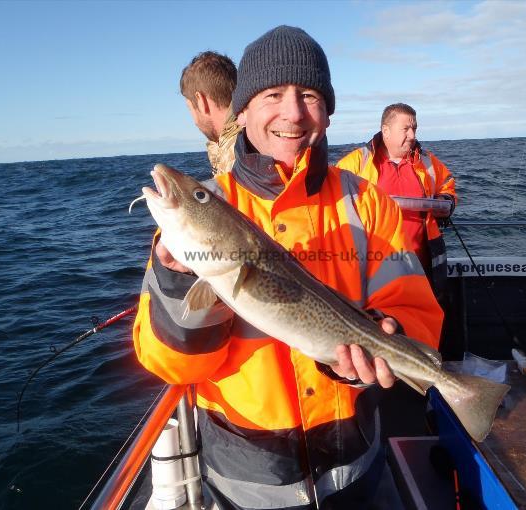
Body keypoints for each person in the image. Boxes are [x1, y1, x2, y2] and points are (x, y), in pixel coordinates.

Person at [134, 26, 443, 509]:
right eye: (272, 94)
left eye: (310, 95)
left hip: (356, 461)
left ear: (328, 112)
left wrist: (392, 332)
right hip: (250, 480)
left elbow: (416, 312)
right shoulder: (202, 218)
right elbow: (171, 365)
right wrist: (177, 283)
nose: (293, 112)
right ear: (243, 111)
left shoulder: (366, 202)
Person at [337, 104, 457, 296]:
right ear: (386, 131)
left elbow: (447, 183)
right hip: (375, 267)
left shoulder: (427, 161)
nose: (412, 135)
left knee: (424, 318)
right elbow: (334, 201)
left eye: (414, 129)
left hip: (424, 264)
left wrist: (446, 200)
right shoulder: (357, 163)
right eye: (406, 129)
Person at [180, 50, 241, 174]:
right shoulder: (249, 136)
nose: (195, 122)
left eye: (190, 108)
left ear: (201, 101)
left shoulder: (238, 157)